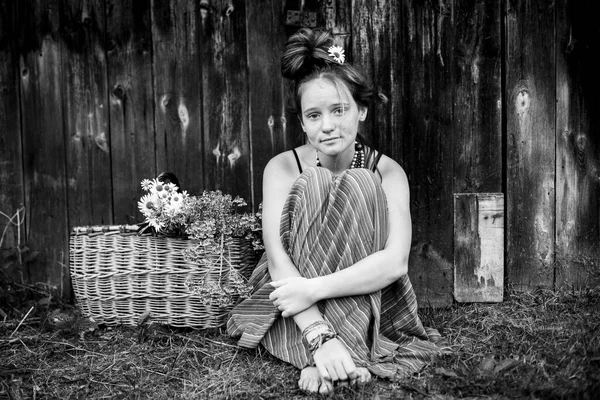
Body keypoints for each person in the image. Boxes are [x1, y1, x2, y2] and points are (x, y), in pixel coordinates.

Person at [227, 27, 449, 395]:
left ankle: (334, 354)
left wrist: (312, 290)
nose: (327, 125)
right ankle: (334, 352)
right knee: (315, 182)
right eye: (313, 115)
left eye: (339, 110)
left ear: (361, 110)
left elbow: (395, 263)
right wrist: (318, 334)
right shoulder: (281, 168)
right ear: (301, 122)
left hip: (352, 290)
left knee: (361, 183)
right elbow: (279, 260)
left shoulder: (387, 172)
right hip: (289, 291)